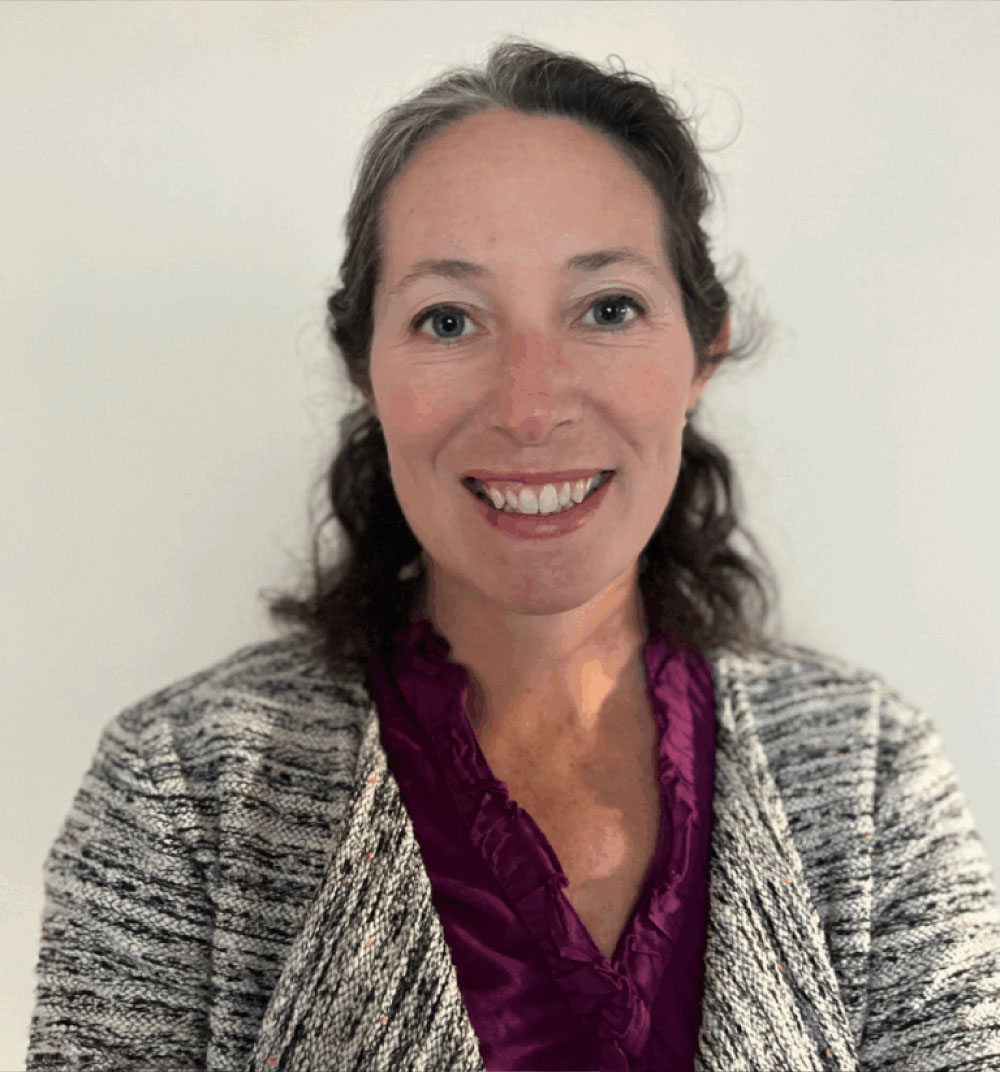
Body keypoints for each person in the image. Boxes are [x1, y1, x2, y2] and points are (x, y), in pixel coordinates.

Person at [26, 37, 1000, 1072]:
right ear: (365, 367)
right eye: (449, 320)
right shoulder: (183, 791)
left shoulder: (867, 774)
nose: (530, 407)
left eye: (607, 309)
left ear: (701, 350)